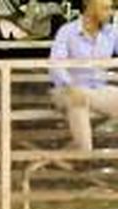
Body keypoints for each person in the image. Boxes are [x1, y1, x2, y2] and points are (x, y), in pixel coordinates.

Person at [49, 0, 118, 153]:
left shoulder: (112, 32)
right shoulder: (67, 31)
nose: (110, 13)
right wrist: (70, 86)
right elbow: (56, 65)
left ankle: (73, 154)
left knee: (85, 99)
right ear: (90, 7)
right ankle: (82, 152)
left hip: (99, 90)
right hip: (66, 90)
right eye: (105, 8)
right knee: (77, 100)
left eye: (111, 8)